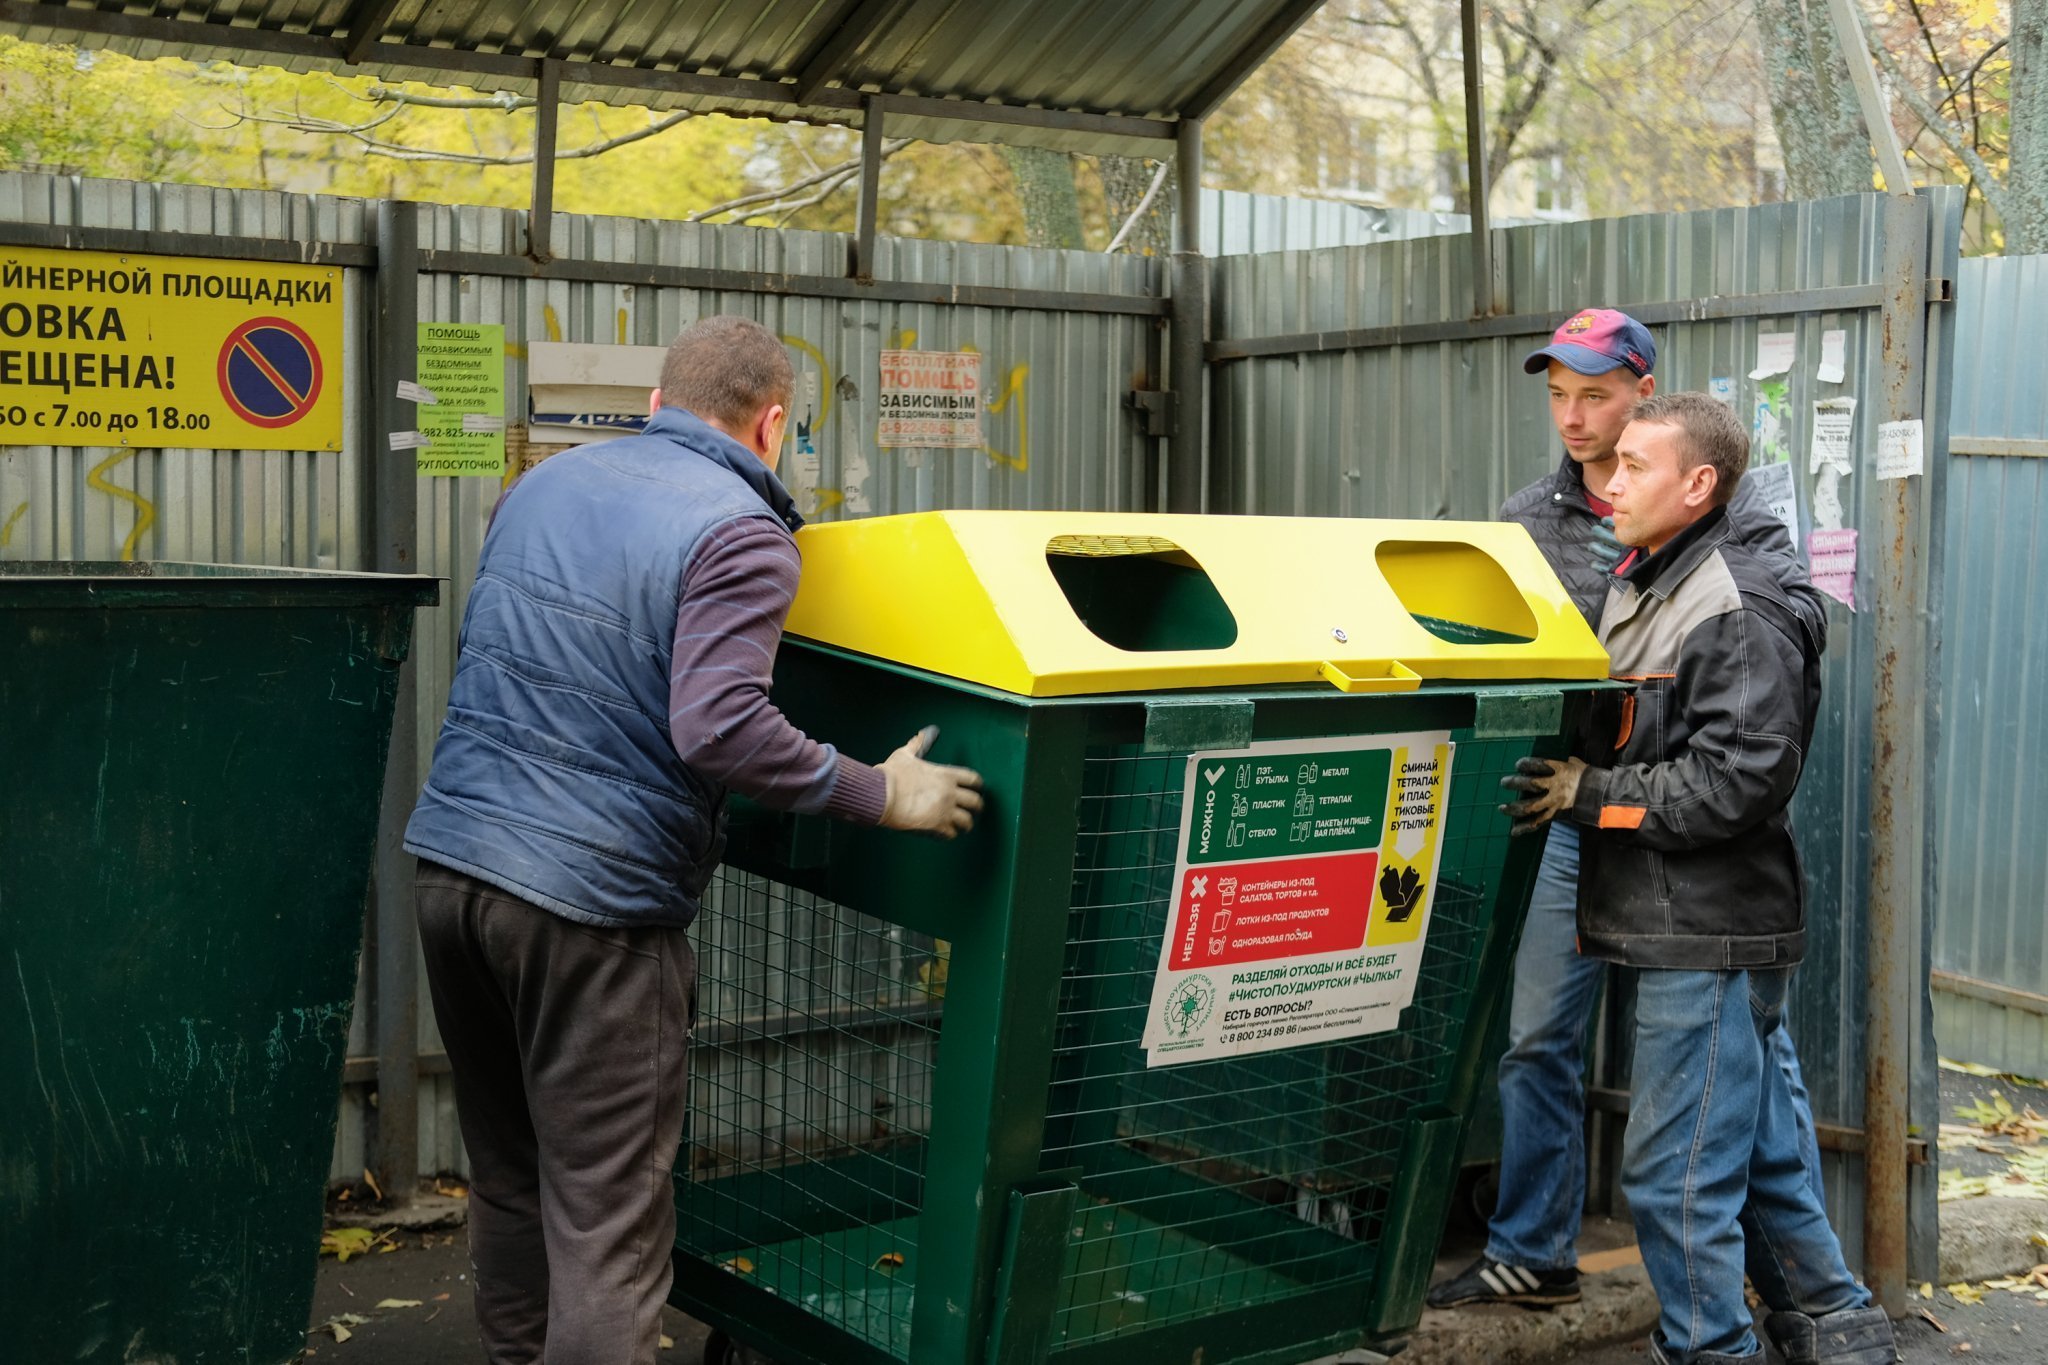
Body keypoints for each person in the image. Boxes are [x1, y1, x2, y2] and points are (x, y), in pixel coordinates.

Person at [402, 315, 985, 1365]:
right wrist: (879, 791)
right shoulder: (741, 530)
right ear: (769, 424)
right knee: (605, 1218)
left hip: (453, 870)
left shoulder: (539, 487)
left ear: (658, 404)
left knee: (509, 1175)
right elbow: (717, 726)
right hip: (591, 910)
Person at [1428, 309, 1828, 1311]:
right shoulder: (1531, 518)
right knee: (1537, 1039)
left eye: (1594, 395)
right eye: (1556, 395)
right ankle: (1531, 1249)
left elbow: (1783, 617)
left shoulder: (1716, 500)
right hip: (1569, 810)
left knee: (1740, 1096)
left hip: (1679, 839)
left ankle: (1805, 1304)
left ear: (1641, 394)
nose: (1573, 416)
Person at [1499, 392, 1894, 1365]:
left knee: (1674, 1181)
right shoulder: (1655, 572)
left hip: (1705, 933)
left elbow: (1735, 780)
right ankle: (1838, 1332)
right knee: (1760, 1159)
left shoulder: (1734, 599)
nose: (1610, 481)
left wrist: (1590, 795)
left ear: (1697, 485)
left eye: (1634, 465)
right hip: (1679, 923)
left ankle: (1708, 1351)